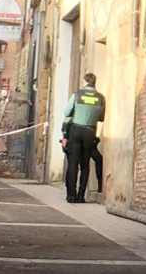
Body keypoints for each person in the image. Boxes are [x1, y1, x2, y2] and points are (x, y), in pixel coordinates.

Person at [61, 73, 105, 203]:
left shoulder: (77, 94)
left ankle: (71, 195)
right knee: (85, 165)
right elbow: (101, 118)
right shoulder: (101, 98)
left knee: (73, 164)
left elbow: (66, 112)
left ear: (85, 81)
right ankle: (81, 196)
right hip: (90, 131)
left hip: (76, 130)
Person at [61, 123, 104, 194]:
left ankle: (73, 192)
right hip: (77, 142)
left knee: (75, 166)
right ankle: (74, 192)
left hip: (82, 140)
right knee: (79, 166)